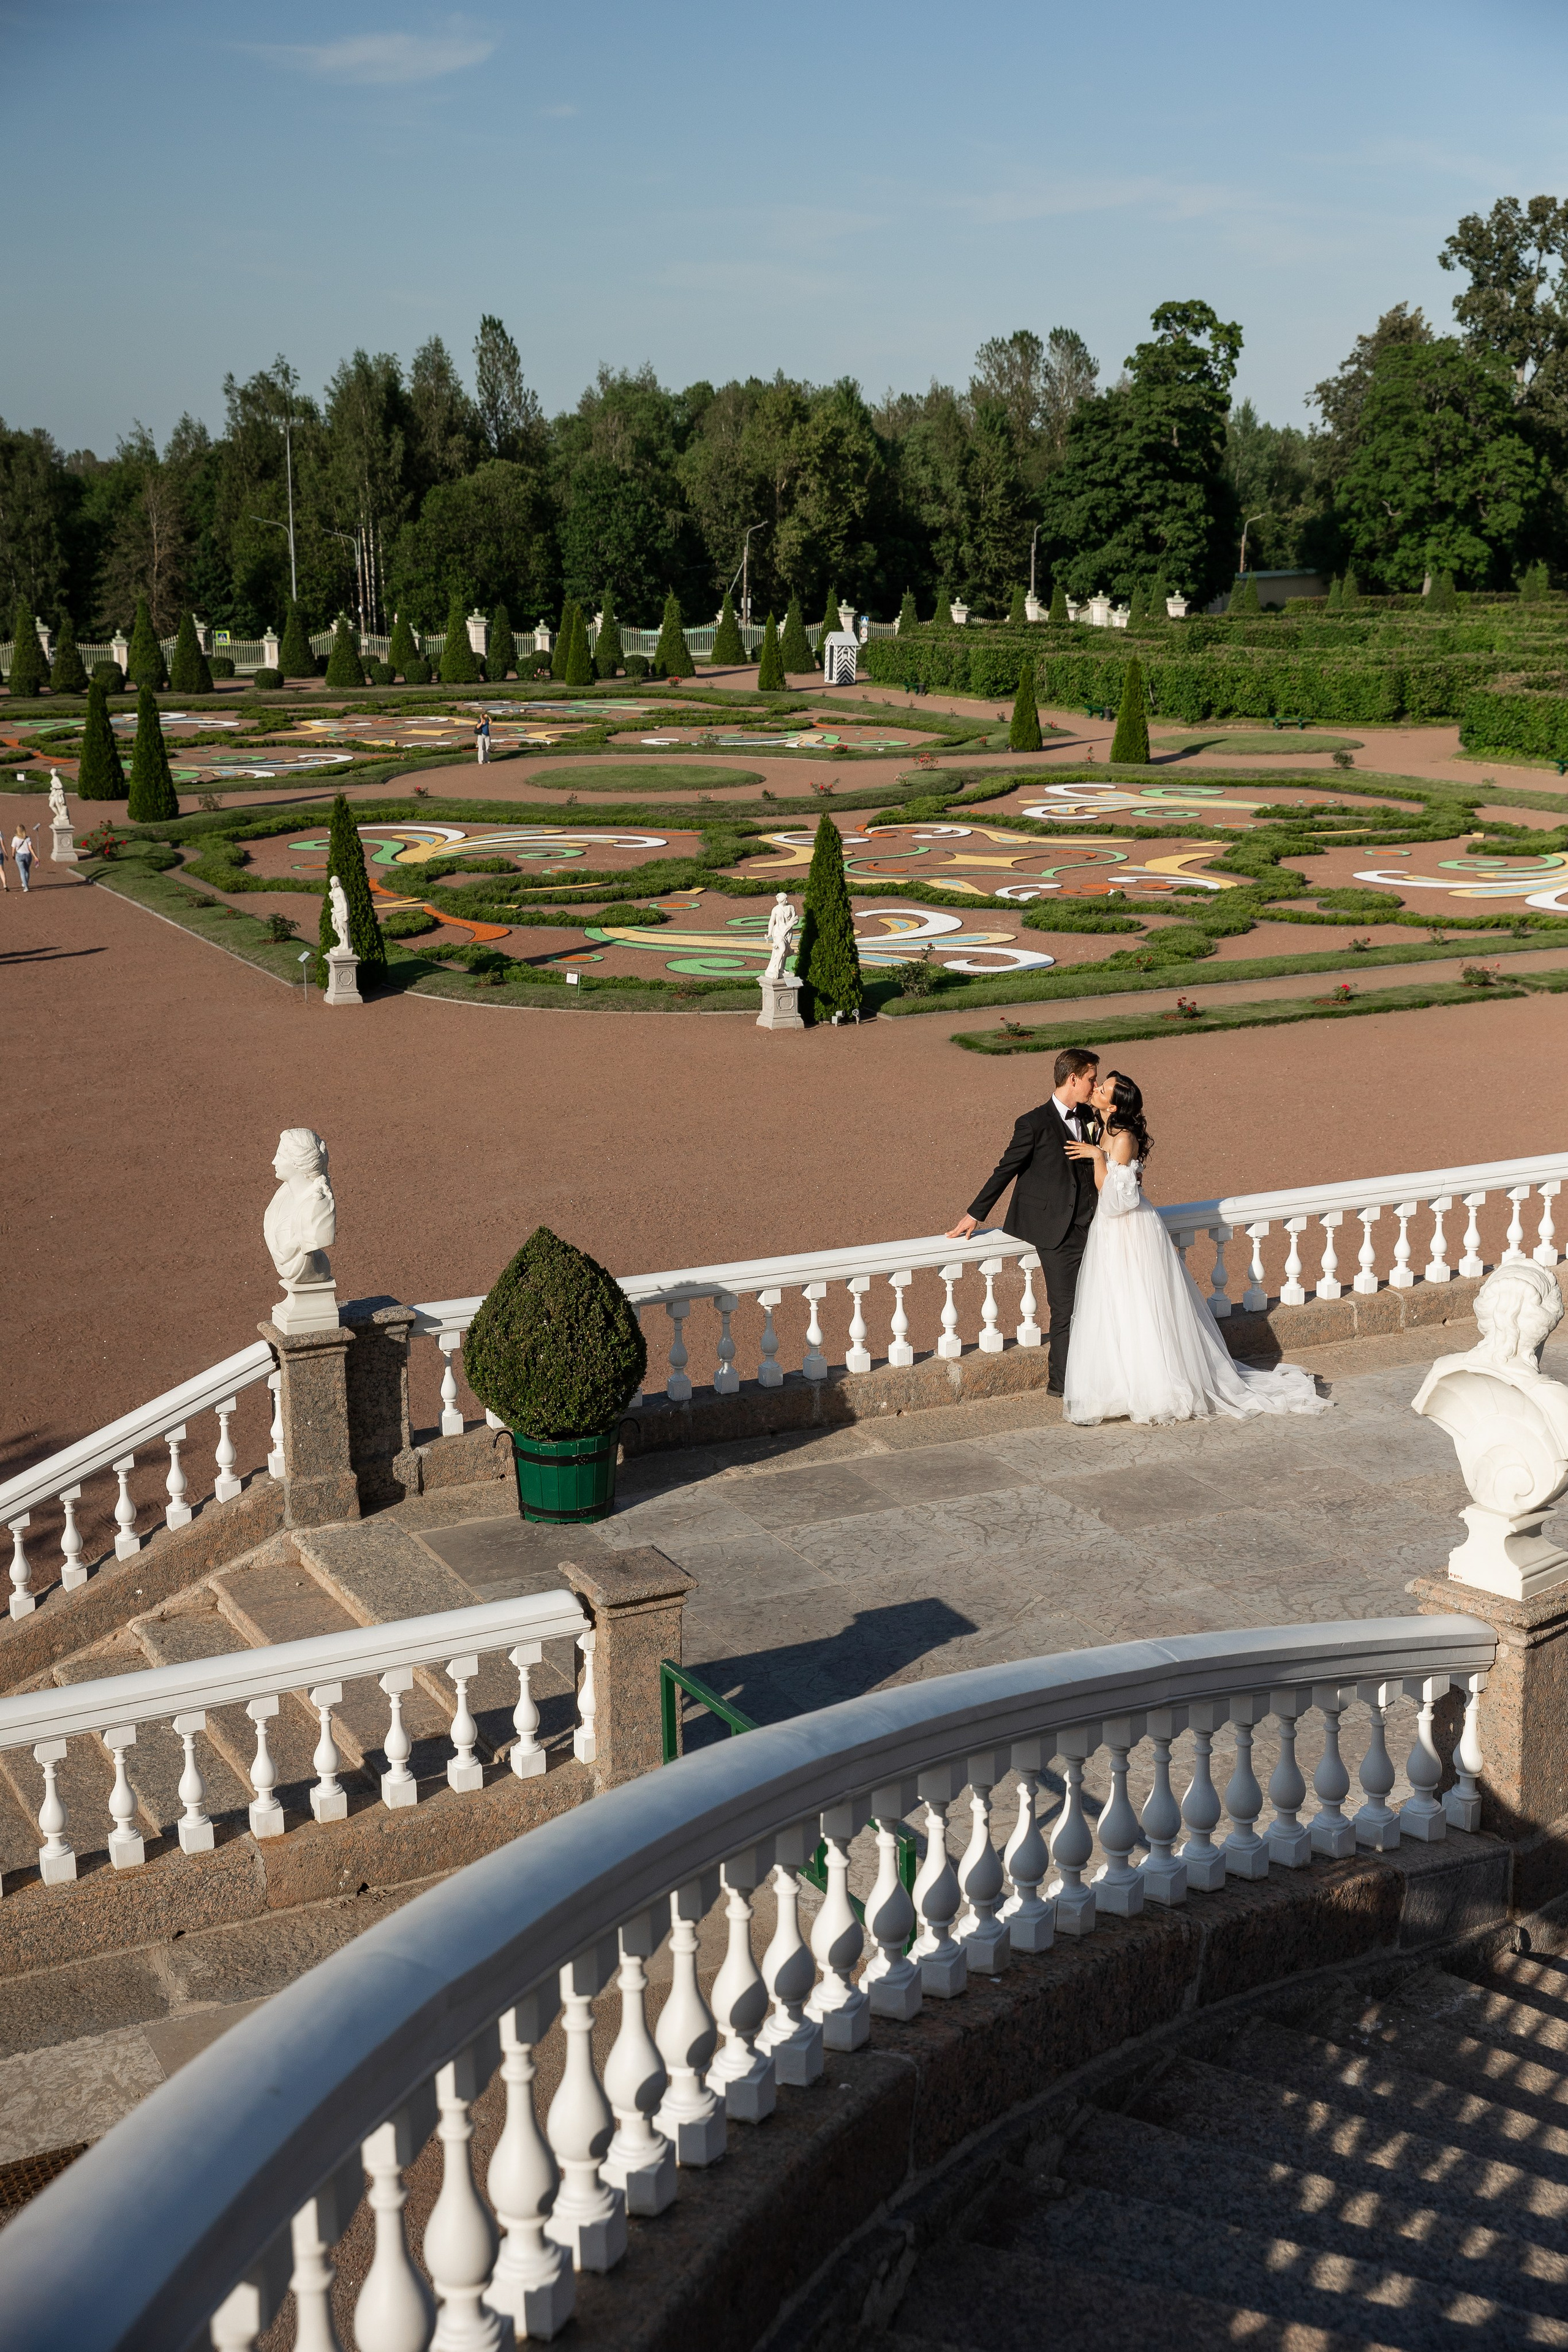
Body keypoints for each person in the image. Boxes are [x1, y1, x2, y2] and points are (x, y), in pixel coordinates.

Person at [1060, 1069, 1329, 1426]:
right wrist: (1097, 1154)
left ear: (1114, 1103)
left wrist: (1097, 1157)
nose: (1096, 1090)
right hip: (1110, 1231)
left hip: (1129, 1228)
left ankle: (1154, 1388)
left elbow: (1118, 1201)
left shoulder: (1122, 1138)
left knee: (1141, 1301)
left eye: (1103, 1088)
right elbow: (1105, 1191)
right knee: (1115, 1300)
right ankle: (1120, 1385)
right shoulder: (1104, 1129)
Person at [947, 1047, 1102, 1396]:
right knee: (1065, 1310)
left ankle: (1093, 1375)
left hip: (1094, 1227)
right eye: (1091, 1079)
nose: (1095, 1086)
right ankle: (1061, 1386)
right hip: (1056, 1234)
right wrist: (975, 1214)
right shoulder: (1033, 1123)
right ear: (1073, 1078)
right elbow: (1005, 1170)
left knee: (1097, 1304)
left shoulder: (1091, 1118)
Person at [10, 823, 38, 892]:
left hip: (20, 855)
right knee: (27, 870)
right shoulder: (27, 838)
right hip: (28, 855)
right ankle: (25, 883)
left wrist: (13, 855)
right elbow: (31, 848)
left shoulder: (15, 838)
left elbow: (13, 848)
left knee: (22, 871)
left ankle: (26, 886)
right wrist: (35, 857)